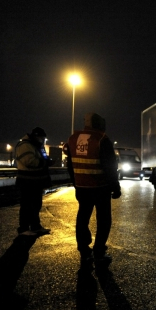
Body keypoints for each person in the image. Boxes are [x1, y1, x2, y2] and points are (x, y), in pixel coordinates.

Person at [63, 112, 121, 268]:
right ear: (99, 124)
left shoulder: (73, 139)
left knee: (82, 218)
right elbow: (110, 167)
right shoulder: (102, 139)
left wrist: (75, 183)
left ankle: (84, 252)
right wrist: (115, 187)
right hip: (100, 187)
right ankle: (99, 252)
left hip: (82, 187)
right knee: (103, 220)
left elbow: (70, 165)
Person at [15, 127, 54, 236]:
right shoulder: (25, 145)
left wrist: (47, 162)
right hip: (27, 181)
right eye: (41, 137)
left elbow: (42, 158)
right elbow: (29, 161)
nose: (42, 140)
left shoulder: (36, 145)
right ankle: (23, 228)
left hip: (36, 181)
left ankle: (35, 226)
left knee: (36, 205)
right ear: (36, 136)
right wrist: (45, 163)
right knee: (26, 205)